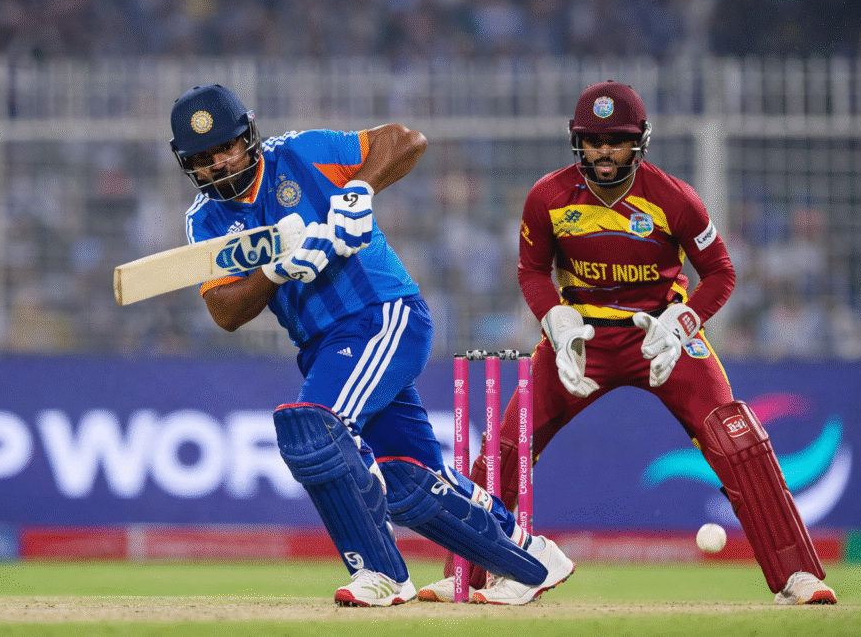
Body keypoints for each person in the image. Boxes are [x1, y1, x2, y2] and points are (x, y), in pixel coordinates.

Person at [418, 81, 837, 606]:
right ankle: (467, 574)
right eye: (593, 141)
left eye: (616, 140)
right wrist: (555, 321)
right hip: (581, 341)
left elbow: (721, 273)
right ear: (577, 141)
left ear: (639, 141)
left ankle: (798, 577)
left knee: (737, 442)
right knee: (507, 447)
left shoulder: (673, 198)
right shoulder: (548, 197)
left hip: (662, 339)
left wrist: (683, 323)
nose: (604, 152)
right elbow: (532, 270)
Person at [168, 83, 575, 606]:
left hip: (382, 314)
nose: (219, 165)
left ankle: (380, 572)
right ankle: (530, 559)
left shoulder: (301, 152)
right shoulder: (205, 220)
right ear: (187, 165)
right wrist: (274, 271)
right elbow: (225, 312)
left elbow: (405, 139)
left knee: (315, 427)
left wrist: (358, 190)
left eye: (226, 148)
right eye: (203, 159)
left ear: (248, 136)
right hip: (323, 346)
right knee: (410, 480)